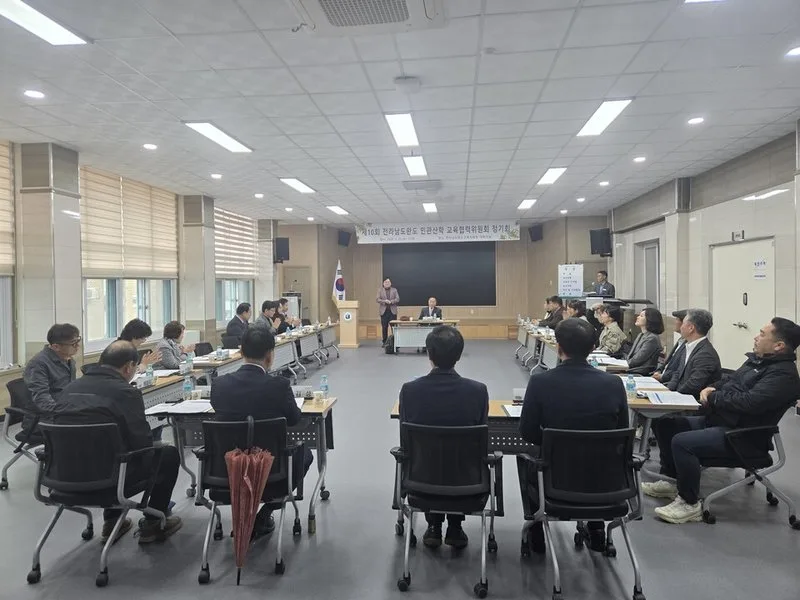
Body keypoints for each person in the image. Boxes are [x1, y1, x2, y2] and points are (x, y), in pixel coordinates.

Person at [644, 318, 800, 524]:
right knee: (665, 424)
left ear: (779, 345)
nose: (756, 337)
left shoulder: (784, 376)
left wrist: (714, 397)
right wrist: (713, 388)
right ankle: (672, 480)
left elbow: (749, 402)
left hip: (742, 437)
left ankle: (689, 503)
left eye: (762, 334)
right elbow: (730, 381)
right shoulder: (757, 361)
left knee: (682, 442)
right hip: (721, 422)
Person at [52, 341, 182, 544]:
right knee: (167, 454)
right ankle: (153, 522)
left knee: (104, 453)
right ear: (129, 366)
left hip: (62, 476)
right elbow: (142, 443)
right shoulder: (125, 392)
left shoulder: (69, 389)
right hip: (109, 479)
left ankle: (113, 522)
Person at [519, 318, 628, 552]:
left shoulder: (540, 382)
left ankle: (536, 528)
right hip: (605, 481)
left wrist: (550, 442)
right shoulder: (613, 383)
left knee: (526, 457)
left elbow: (527, 431)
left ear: (558, 347)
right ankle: (596, 527)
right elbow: (621, 431)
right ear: (592, 348)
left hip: (556, 478)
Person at [211, 327, 313, 538]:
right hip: (272, 474)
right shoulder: (279, 386)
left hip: (227, 472)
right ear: (270, 355)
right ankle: (266, 512)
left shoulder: (219, 385)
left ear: (241, 351)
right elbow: (294, 419)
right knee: (305, 454)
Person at [399, 325, 489, 550]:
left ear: (429, 354)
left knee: (429, 454)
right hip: (469, 485)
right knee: (459, 455)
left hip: (420, 483)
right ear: (459, 355)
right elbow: (481, 442)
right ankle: (455, 526)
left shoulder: (410, 391)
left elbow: (405, 442)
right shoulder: (477, 392)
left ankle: (434, 525)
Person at [659, 308, 721, 398]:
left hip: (692, 401)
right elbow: (677, 374)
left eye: (683, 323)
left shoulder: (705, 354)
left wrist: (673, 396)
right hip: (678, 396)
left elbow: (693, 385)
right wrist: (668, 392)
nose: (681, 327)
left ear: (691, 328)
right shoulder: (688, 347)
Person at [24, 323, 80, 414]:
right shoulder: (38, 364)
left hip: (66, 407)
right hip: (47, 415)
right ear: (56, 347)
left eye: (77, 342)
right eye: (73, 344)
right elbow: (42, 399)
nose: (78, 346)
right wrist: (64, 413)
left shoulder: (68, 359)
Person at [626, 308, 664, 375]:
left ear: (650, 319)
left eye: (641, 316)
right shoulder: (641, 334)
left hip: (640, 372)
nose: (637, 317)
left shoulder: (652, 338)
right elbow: (631, 357)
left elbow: (638, 359)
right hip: (631, 369)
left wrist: (622, 365)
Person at [653, 310, 687, 380]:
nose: (674, 322)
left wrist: (662, 376)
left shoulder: (688, 345)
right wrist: (658, 371)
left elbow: (679, 370)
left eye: (677, 319)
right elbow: (668, 362)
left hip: (669, 381)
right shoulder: (680, 340)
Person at [377, 278, 400, 346]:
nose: (387, 283)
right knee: (384, 327)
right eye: (386, 282)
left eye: (388, 282)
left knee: (394, 327)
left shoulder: (394, 290)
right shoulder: (380, 290)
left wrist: (391, 301)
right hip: (384, 312)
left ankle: (395, 342)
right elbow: (377, 299)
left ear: (390, 283)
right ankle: (385, 342)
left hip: (392, 312)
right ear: (383, 283)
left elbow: (397, 299)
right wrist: (384, 301)